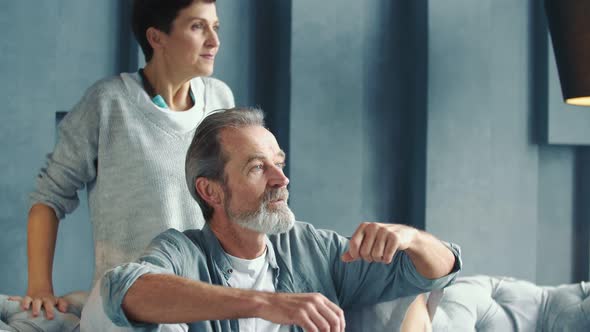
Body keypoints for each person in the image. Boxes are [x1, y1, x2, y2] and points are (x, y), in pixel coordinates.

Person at [81, 107, 462, 331]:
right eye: (257, 168)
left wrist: (410, 239)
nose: (281, 179)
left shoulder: (313, 247)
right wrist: (264, 303)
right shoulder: (182, 252)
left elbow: (435, 271)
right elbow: (125, 290)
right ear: (211, 191)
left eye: (278, 163)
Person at [13, 0, 234, 321]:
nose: (214, 41)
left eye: (215, 27)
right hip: (128, 310)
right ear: (157, 38)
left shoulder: (220, 100)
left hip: (209, 307)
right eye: (198, 26)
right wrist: (39, 288)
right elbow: (47, 198)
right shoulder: (108, 104)